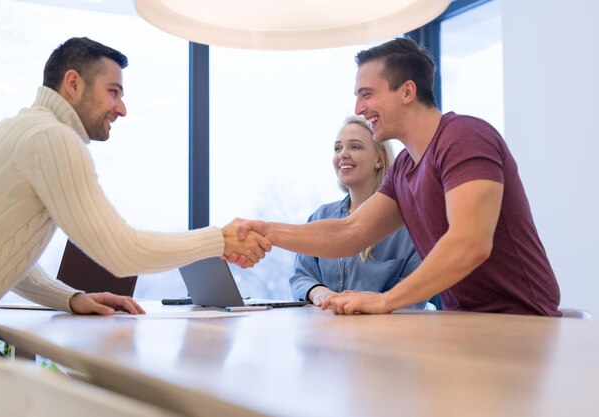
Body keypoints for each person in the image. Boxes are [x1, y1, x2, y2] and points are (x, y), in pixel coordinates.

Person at [230, 37, 561, 316]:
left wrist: (386, 300)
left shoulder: (464, 137)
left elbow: (470, 242)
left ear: (407, 92)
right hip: (467, 322)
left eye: (367, 94)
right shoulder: (404, 167)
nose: (359, 108)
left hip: (522, 322)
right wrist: (268, 230)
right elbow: (351, 231)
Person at [0, 37, 269, 316]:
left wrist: (71, 298)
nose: (122, 109)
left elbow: (9, 254)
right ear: (73, 84)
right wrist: (220, 240)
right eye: (113, 92)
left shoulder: (15, 128)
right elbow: (123, 251)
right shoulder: (52, 138)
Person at [289, 115, 426, 309]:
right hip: (325, 331)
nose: (342, 154)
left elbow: (415, 295)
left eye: (355, 146)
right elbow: (301, 275)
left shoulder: (408, 225)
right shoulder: (321, 216)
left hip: (386, 335)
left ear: (379, 159)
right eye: (338, 148)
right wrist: (321, 293)